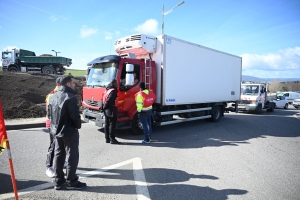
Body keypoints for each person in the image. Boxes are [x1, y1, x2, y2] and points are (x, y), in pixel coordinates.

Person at [48, 75, 86, 190]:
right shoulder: (70, 97)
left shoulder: (52, 97)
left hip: (56, 131)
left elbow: (50, 115)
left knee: (59, 155)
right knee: (72, 155)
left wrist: (55, 129)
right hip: (69, 131)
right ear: (68, 84)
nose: (75, 84)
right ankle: (72, 181)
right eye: (73, 83)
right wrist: (77, 126)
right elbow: (74, 116)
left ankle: (59, 181)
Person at [45, 77, 64, 178]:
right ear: (58, 84)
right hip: (53, 124)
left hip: (60, 124)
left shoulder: (61, 94)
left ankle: (61, 161)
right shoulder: (52, 95)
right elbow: (50, 113)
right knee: (53, 145)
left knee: (61, 144)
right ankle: (49, 167)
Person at [103, 79, 121, 144]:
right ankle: (112, 139)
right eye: (117, 83)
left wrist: (103, 108)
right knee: (112, 125)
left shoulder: (108, 90)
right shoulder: (113, 91)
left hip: (107, 109)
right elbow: (109, 100)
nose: (118, 84)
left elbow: (103, 99)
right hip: (111, 110)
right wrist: (104, 107)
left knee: (107, 124)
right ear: (114, 83)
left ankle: (107, 139)